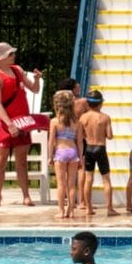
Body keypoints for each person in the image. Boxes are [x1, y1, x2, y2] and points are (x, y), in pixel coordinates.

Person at [0, 40, 42, 208]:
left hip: (22, 122)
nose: (13, 55)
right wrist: (9, 124)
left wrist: (37, 79)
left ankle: (26, 195)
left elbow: (35, 89)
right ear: (1, 57)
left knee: (22, 160)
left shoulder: (17, 70)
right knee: (1, 158)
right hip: (5, 123)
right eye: (10, 54)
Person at [78, 91, 119, 219]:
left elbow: (80, 136)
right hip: (100, 148)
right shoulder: (105, 117)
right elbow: (110, 136)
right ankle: (110, 208)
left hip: (89, 148)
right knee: (106, 179)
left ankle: (88, 208)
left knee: (88, 179)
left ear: (88, 104)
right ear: (101, 103)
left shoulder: (83, 118)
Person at [49, 89, 81, 221]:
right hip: (73, 152)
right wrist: (80, 158)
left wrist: (50, 157)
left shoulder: (55, 121)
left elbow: (51, 141)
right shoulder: (77, 121)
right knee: (71, 184)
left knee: (61, 183)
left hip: (60, 152)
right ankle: (71, 210)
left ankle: (61, 211)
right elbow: (79, 142)